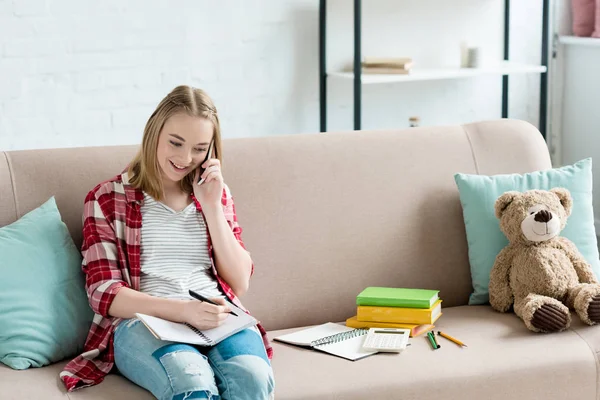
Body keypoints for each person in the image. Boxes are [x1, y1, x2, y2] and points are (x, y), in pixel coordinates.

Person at [60, 85, 275, 400]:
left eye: (200, 149)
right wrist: (183, 311)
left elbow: (240, 282)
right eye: (176, 143)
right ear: (154, 133)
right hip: (143, 324)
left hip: (218, 318)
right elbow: (103, 293)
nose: (186, 158)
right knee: (192, 384)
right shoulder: (107, 198)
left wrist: (213, 207)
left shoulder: (215, 194)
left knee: (253, 378)